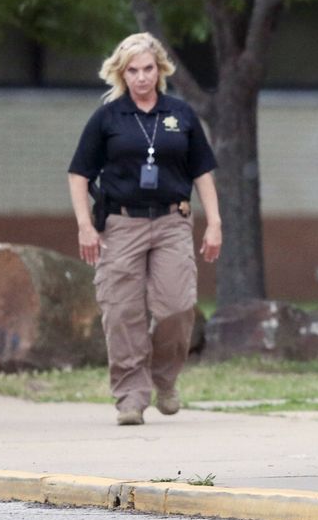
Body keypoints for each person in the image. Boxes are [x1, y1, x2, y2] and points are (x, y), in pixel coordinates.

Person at [68, 33, 221, 425]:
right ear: (122, 73)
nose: (141, 78)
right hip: (121, 223)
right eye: (133, 70)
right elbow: (79, 174)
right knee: (122, 312)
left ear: (160, 70)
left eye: (148, 69)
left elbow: (202, 170)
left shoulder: (181, 115)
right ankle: (130, 397)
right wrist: (85, 225)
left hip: (172, 221)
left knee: (177, 306)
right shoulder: (108, 117)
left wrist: (214, 222)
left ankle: (164, 380)